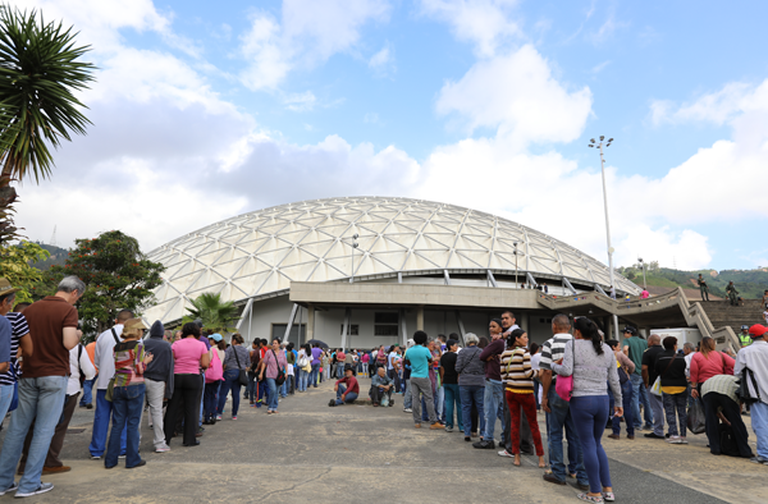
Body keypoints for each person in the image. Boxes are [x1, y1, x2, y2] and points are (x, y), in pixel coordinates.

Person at [0, 276, 83, 498]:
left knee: (17, 429)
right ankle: (29, 484)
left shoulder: (31, 309)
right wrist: (78, 334)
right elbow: (68, 343)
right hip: (54, 376)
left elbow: (19, 344)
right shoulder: (68, 311)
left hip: (28, 374)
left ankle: (3, 481)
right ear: (74, 293)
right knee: (44, 430)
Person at [552, 317, 622, 503]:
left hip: (582, 400)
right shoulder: (607, 348)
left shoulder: (573, 345)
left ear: (577, 332)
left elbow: (566, 371)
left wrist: (552, 365)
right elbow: (614, 379)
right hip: (603, 400)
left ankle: (595, 493)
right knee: (597, 444)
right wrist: (619, 403)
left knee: (588, 445)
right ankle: (608, 489)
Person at [539, 314, 589, 490]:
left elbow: (546, 372)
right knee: (576, 435)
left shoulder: (549, 344)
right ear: (569, 327)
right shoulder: (580, 344)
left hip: (556, 391)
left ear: (554, 326)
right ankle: (580, 475)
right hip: (577, 391)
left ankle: (558, 473)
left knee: (555, 434)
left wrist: (544, 396)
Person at [105, 318, 153, 469]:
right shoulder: (138, 346)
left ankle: (110, 460)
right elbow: (139, 369)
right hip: (134, 385)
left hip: (119, 386)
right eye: (142, 330)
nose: (143, 333)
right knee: (133, 424)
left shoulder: (117, 347)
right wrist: (147, 360)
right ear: (137, 330)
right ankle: (132, 459)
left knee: (117, 425)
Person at [89, 309, 134, 459]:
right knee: (122, 417)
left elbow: (97, 360)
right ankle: (121, 448)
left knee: (101, 416)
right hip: (125, 382)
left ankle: (97, 450)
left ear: (116, 320)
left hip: (104, 383)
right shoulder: (134, 336)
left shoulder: (103, 336)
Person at [500, 328, 546, 468]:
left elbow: (503, 376)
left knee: (514, 423)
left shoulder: (504, 354)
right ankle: (541, 459)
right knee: (533, 424)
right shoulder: (524, 352)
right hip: (525, 392)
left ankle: (516, 457)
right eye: (525, 337)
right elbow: (528, 373)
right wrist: (540, 372)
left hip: (510, 391)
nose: (527, 340)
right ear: (517, 339)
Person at [165, 323, 210, 447]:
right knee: (190, 408)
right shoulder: (201, 345)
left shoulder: (176, 344)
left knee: (172, 407)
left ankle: (166, 438)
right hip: (193, 377)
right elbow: (205, 364)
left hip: (177, 376)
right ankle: (189, 439)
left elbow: (171, 360)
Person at [733, 324, 768, 464]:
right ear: (764, 335)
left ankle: (765, 454)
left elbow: (737, 372)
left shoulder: (745, 351)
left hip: (757, 392)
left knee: (760, 423)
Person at [700, 373, 753, 457]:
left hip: (707, 389)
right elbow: (739, 406)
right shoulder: (741, 384)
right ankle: (745, 451)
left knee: (711, 420)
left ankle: (715, 449)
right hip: (727, 391)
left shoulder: (730, 379)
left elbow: (716, 412)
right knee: (737, 422)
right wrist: (733, 419)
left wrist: (725, 420)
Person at [143, 320, 174, 453]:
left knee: (138, 412)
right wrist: (169, 387)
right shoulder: (166, 346)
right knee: (156, 411)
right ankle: (160, 443)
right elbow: (169, 367)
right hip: (159, 381)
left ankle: (134, 441)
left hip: (142, 378)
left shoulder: (144, 343)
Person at [475, 318, 505, 449]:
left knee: (489, 411)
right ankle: (505, 437)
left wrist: (488, 353)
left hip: (492, 380)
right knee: (501, 412)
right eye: (490, 326)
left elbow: (482, 355)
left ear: (501, 329)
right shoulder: (503, 342)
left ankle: (488, 438)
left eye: (494, 326)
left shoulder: (497, 343)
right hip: (500, 379)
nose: (491, 328)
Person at [404, 331, 444, 429]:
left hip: (413, 376)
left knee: (415, 399)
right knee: (429, 399)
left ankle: (417, 422)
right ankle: (433, 421)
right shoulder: (425, 350)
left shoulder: (409, 350)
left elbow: (407, 363)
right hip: (424, 376)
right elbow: (430, 360)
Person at [655, 337, 689, 444]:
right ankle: (683, 435)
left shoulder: (660, 357)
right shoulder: (680, 357)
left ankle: (674, 434)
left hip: (667, 386)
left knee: (670, 412)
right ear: (674, 345)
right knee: (682, 411)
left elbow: (656, 370)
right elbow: (684, 369)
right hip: (682, 386)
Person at [622, 326, 652, 431]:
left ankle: (637, 423)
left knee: (634, 398)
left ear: (628, 333)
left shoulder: (627, 341)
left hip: (634, 372)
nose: (623, 335)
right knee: (646, 399)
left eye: (624, 333)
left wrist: (625, 361)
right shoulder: (644, 342)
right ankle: (649, 423)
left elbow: (625, 349)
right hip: (644, 373)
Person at [456, 333, 485, 441]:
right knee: (481, 408)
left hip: (465, 382)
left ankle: (467, 433)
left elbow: (458, 368)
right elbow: (485, 367)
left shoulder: (462, 352)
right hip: (479, 382)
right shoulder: (481, 352)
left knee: (465, 407)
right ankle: (482, 433)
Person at [605, 339, 635, 440]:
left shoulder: (604, 355)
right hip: (624, 382)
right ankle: (631, 432)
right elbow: (632, 365)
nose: (620, 348)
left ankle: (616, 432)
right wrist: (628, 372)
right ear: (613, 347)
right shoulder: (620, 354)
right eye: (618, 346)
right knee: (627, 407)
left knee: (615, 407)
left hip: (610, 382)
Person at [216, 333, 248, 420]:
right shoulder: (245, 350)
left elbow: (225, 361)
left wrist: (223, 370)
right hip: (240, 373)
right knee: (236, 394)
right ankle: (234, 415)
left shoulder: (230, 348)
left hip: (229, 372)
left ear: (234, 340)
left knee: (223, 393)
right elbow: (248, 363)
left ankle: (219, 413)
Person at [641, 334, 666, 439]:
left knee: (657, 407)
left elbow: (644, 368)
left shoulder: (648, 352)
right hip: (666, 382)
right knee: (667, 407)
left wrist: (645, 381)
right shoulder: (665, 351)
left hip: (653, 383)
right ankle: (673, 431)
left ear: (650, 341)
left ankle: (658, 430)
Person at [258, 338, 287, 414]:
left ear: (279, 345)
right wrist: (261, 373)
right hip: (270, 374)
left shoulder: (282, 353)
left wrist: (286, 372)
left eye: (275, 343)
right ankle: (270, 406)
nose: (274, 344)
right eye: (273, 343)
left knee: (277, 391)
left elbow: (285, 363)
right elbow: (264, 362)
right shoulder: (269, 352)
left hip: (278, 376)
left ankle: (275, 407)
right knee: (273, 390)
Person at [439, 339, 461, 431]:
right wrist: (459, 378)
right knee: (459, 404)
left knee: (449, 403)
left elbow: (442, 368)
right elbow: (459, 368)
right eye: (455, 345)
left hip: (446, 381)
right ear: (451, 346)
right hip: (455, 381)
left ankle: (449, 425)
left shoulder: (443, 357)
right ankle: (462, 426)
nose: (457, 347)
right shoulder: (456, 356)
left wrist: (442, 379)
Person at [203, 333, 224, 424]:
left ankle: (207, 416)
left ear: (213, 340)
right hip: (218, 376)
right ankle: (213, 414)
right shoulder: (222, 351)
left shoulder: (211, 350)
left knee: (207, 396)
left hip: (210, 377)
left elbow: (207, 363)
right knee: (214, 396)